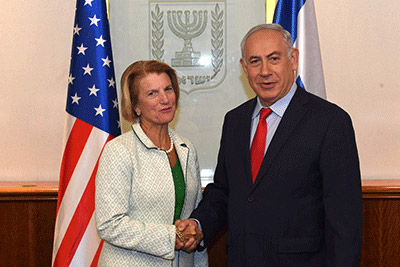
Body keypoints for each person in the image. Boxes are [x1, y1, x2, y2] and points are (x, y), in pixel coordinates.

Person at [177, 23, 363, 266]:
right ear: (244, 68)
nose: (265, 71)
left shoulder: (330, 122)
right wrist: (198, 225)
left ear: (293, 59)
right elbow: (224, 192)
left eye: (274, 59)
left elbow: (344, 220)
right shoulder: (235, 121)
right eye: (255, 61)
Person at [95, 60, 208, 266]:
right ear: (136, 106)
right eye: (152, 93)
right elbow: (109, 224)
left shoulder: (186, 149)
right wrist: (169, 237)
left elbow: (194, 220)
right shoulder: (120, 150)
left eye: (168, 89)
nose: (165, 99)